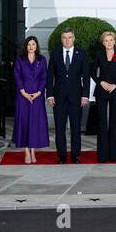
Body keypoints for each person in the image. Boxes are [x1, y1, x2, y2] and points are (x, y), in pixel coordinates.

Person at [46, 30, 90, 163]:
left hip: (76, 97)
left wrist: (85, 95)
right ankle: (62, 156)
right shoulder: (55, 53)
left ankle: (76, 155)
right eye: (64, 38)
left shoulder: (81, 54)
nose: (67, 40)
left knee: (76, 128)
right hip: (58, 97)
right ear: (61, 39)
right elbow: (50, 76)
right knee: (60, 128)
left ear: (74, 38)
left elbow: (86, 77)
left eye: (70, 37)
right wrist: (50, 95)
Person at [90, 30, 116, 163]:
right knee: (102, 123)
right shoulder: (99, 54)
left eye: (111, 40)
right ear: (103, 42)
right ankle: (103, 155)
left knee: (114, 123)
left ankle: (113, 155)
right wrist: (102, 82)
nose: (109, 43)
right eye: (106, 40)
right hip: (102, 91)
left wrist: (115, 85)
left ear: (115, 42)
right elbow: (93, 72)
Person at [12, 35, 48, 164]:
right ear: (26, 46)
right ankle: (26, 151)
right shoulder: (20, 59)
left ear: (36, 46)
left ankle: (33, 151)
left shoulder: (42, 60)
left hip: (37, 96)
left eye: (33, 44)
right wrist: (24, 92)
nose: (31, 46)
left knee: (35, 124)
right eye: (29, 44)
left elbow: (44, 77)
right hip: (23, 96)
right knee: (24, 123)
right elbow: (17, 76)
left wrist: (38, 92)